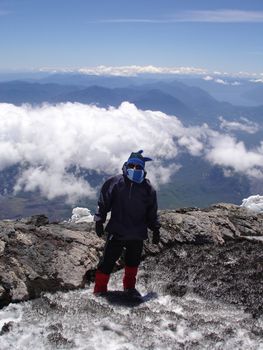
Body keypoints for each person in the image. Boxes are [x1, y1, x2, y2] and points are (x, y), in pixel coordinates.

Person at [93, 150, 161, 296]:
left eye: (138, 167)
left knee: (133, 263)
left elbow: (152, 211)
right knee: (107, 262)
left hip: (137, 234)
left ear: (143, 169)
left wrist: (155, 229)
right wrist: (99, 220)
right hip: (117, 232)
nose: (134, 169)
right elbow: (103, 202)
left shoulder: (148, 189)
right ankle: (99, 289)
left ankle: (129, 289)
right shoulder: (115, 183)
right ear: (126, 165)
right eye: (132, 166)